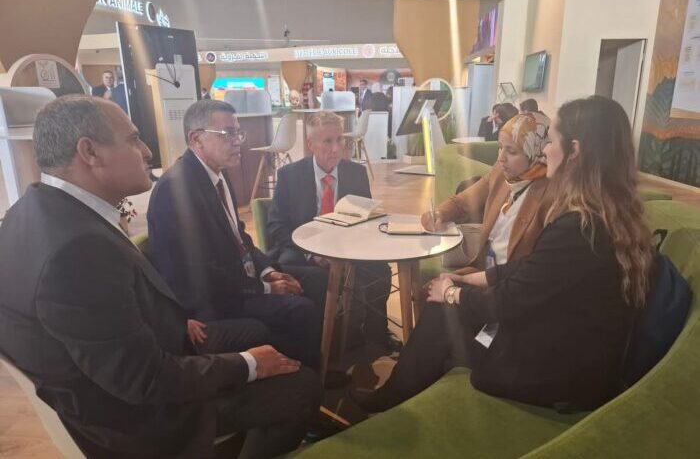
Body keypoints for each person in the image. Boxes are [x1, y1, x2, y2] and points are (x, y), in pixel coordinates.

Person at [0, 95, 321, 458]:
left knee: (258, 334)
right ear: (90, 152)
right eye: (133, 139)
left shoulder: (29, 211)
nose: (148, 151)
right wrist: (249, 364)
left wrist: (175, 319)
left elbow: (103, 321)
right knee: (302, 387)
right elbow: (145, 379)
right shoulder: (76, 251)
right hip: (134, 421)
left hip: (118, 374)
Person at [353, 96, 654, 414]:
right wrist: (471, 279)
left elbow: (509, 302)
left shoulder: (579, 226)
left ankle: (395, 399)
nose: (545, 150)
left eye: (552, 142)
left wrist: (452, 292)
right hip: (565, 348)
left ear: (575, 150)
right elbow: (533, 270)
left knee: (445, 315)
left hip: (556, 373)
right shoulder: (604, 214)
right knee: (447, 313)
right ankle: (406, 391)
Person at [147, 100, 322, 369]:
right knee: (302, 310)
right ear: (196, 139)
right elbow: (199, 273)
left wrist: (268, 272)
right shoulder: (175, 189)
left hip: (239, 279)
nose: (238, 141)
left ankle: (321, 357)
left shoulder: (217, 174)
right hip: (213, 300)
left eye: (238, 132)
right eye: (228, 133)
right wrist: (265, 288)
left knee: (317, 280)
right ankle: (305, 375)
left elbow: (240, 238)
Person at [266, 111, 396, 348]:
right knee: (302, 272)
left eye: (340, 140)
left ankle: (376, 334)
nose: (336, 149)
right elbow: (276, 226)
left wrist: (348, 252)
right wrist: (311, 253)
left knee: (381, 272)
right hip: (302, 251)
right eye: (327, 141)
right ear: (311, 144)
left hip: (347, 249)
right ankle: (322, 340)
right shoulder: (289, 175)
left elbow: (366, 221)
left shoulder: (356, 173)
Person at [422, 112, 554, 275]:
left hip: (510, 282)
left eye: (512, 151)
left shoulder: (550, 194)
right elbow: (463, 202)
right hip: (485, 273)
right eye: (500, 147)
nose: (501, 158)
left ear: (536, 152)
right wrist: (440, 214)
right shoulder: (501, 173)